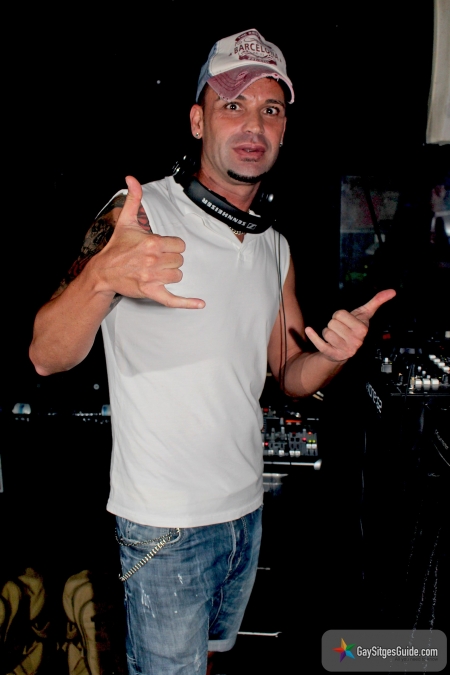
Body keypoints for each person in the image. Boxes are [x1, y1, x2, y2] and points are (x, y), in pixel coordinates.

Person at [30, 28, 395, 675]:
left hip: (244, 512)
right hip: (165, 524)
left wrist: (335, 354)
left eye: (270, 108)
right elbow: (46, 355)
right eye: (233, 105)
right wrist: (101, 277)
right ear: (198, 121)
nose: (254, 124)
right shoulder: (139, 216)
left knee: (210, 660)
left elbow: (289, 374)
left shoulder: (273, 246)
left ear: (284, 129)